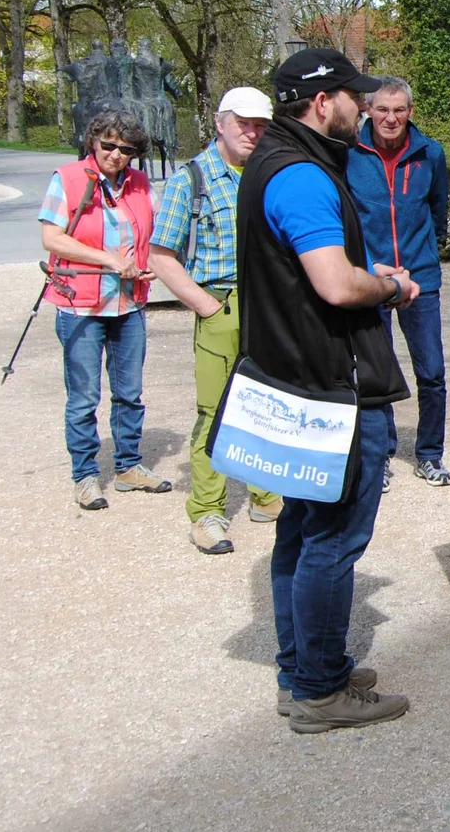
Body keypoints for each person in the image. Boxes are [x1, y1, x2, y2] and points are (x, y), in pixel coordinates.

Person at [239, 47, 417, 734]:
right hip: (330, 388)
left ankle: (306, 669)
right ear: (323, 103)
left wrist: (368, 268)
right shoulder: (304, 175)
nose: (366, 108)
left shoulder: (275, 162)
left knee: (300, 529)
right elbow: (336, 285)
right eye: (354, 96)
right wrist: (392, 286)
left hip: (296, 378)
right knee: (332, 540)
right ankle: (318, 688)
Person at [148, 87, 282, 552]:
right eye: (245, 123)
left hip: (269, 306)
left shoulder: (268, 172)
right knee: (215, 411)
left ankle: (267, 496)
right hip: (222, 302)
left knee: (269, 403)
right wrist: (206, 306)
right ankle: (206, 512)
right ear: (220, 122)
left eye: (261, 125)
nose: (253, 132)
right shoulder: (191, 178)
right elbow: (161, 256)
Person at [39, 106, 171, 512]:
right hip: (80, 303)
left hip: (129, 303)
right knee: (83, 396)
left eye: (126, 149)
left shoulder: (139, 183)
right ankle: (85, 474)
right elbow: (51, 238)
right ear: (92, 141)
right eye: (108, 144)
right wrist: (109, 260)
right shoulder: (69, 178)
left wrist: (148, 265)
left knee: (129, 392)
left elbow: (153, 233)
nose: (115, 154)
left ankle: (129, 466)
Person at [348, 78, 450, 489]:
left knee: (432, 371)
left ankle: (429, 453)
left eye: (399, 110)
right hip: (370, 277)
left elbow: (438, 211)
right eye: (382, 109)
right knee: (375, 371)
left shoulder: (431, 154)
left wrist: (425, 253)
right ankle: (382, 453)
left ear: (410, 111)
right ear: (368, 110)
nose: (391, 118)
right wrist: (365, 265)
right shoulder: (349, 154)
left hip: (421, 277)